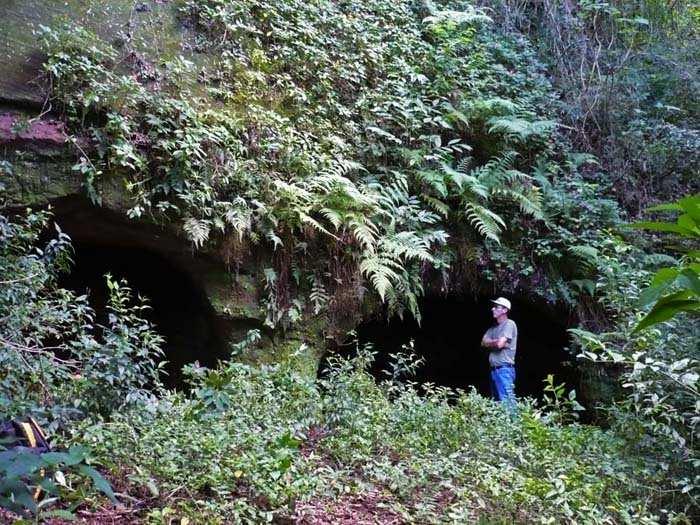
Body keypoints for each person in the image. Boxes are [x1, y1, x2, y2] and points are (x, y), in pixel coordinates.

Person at [481, 297, 517, 407]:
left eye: (496, 307)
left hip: (504, 369)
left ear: (505, 310)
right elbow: (483, 343)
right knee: (497, 405)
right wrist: (497, 343)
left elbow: (499, 344)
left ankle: (514, 424)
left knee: (508, 404)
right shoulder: (493, 329)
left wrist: (495, 343)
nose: (493, 309)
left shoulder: (509, 324)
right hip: (494, 370)